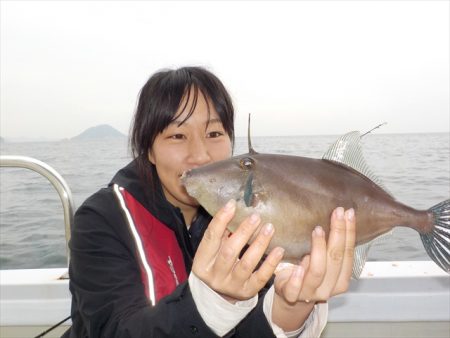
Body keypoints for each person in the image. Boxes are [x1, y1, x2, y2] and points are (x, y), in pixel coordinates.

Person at [62, 66, 356, 338]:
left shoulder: (247, 219)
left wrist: (289, 309)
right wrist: (212, 303)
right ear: (148, 150)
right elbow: (114, 330)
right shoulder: (101, 220)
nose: (200, 155)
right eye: (177, 135)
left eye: (214, 133)